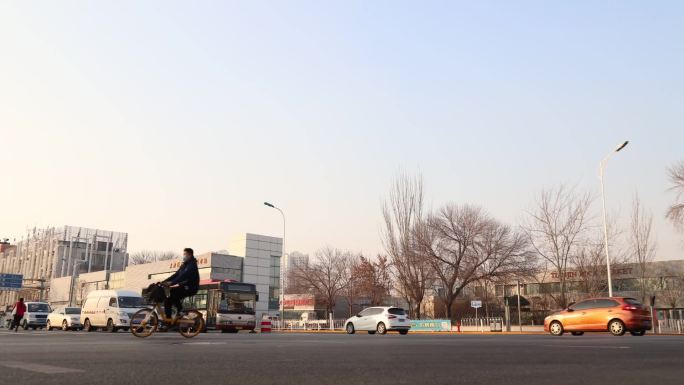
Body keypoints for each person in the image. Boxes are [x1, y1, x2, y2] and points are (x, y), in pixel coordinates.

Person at [161, 248, 200, 320]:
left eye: (185, 254)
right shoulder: (184, 265)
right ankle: (171, 318)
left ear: (190, 255)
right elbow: (176, 275)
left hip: (190, 287)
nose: (183, 256)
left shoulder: (192, 265)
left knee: (171, 296)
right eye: (183, 254)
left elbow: (183, 276)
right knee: (169, 299)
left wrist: (172, 283)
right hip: (184, 286)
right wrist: (164, 281)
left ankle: (178, 312)